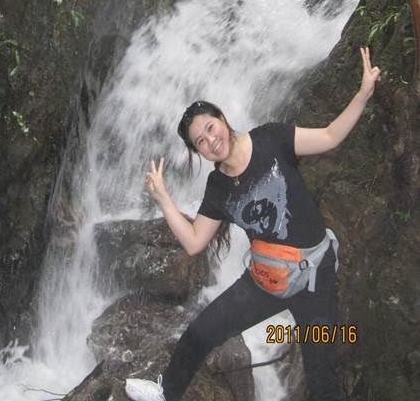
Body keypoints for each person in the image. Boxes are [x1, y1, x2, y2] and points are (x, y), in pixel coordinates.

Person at [125, 47, 380, 401]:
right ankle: (164, 392)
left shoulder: (271, 139)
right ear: (198, 152)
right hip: (266, 279)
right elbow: (195, 241)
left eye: (210, 128)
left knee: (322, 375)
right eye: (200, 142)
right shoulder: (218, 186)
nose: (211, 141)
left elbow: (329, 136)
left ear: (222, 118)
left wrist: (363, 93)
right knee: (200, 332)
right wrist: (164, 200)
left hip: (314, 278)